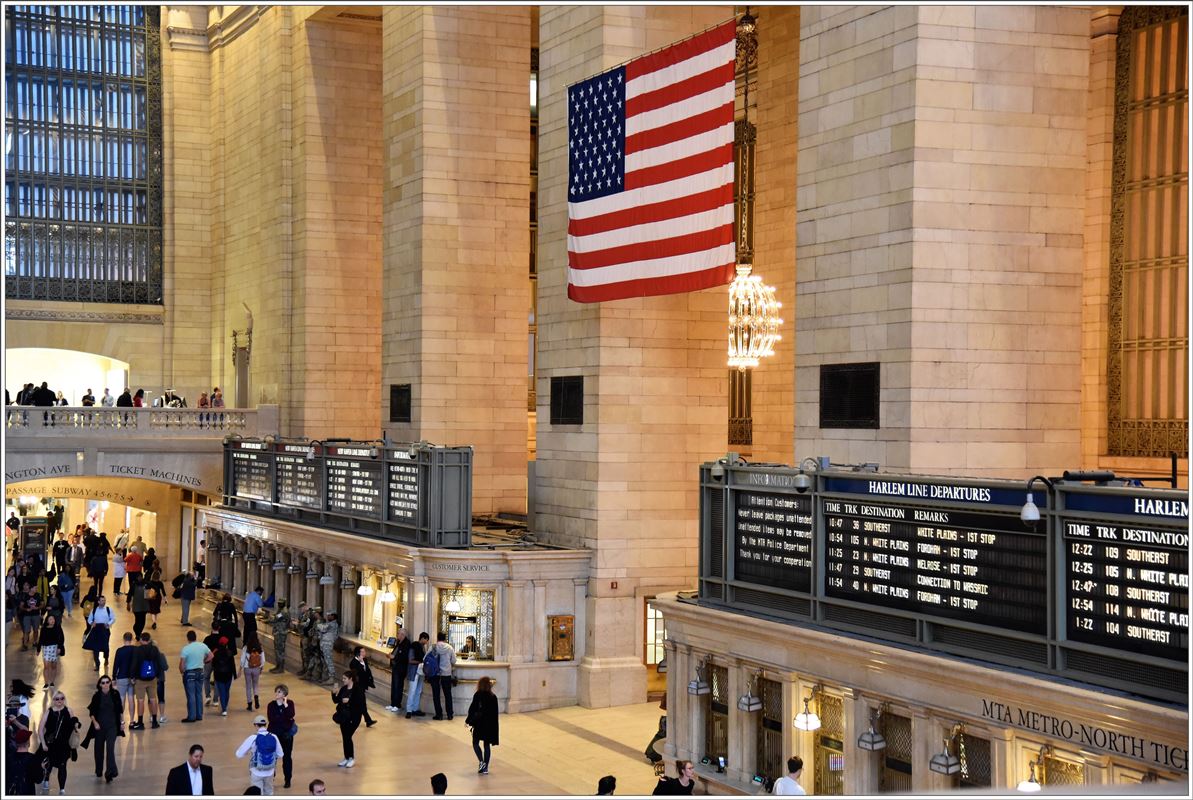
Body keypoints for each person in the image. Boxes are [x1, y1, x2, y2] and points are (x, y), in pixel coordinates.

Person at [38, 690, 80, 795]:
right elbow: (40, 729)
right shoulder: (49, 712)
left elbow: (74, 724)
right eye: (57, 699)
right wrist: (43, 743)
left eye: (62, 698)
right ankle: (46, 779)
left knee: (62, 765)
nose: (60, 701)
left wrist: (76, 725)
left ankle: (62, 789)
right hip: (51, 744)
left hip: (64, 745)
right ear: (53, 700)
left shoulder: (68, 711)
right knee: (50, 763)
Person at [86, 675, 125, 783]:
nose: (105, 684)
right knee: (98, 749)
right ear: (100, 685)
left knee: (110, 748)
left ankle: (110, 772)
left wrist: (122, 722)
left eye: (107, 682)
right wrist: (95, 723)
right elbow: (92, 712)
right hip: (99, 726)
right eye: (103, 683)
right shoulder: (97, 696)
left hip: (112, 726)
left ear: (110, 683)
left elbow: (120, 710)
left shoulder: (115, 694)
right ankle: (99, 770)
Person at [235, 714, 282, 795]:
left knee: (257, 794)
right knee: (269, 792)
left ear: (256, 725)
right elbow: (280, 754)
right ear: (265, 724)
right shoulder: (274, 736)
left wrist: (248, 753)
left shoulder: (253, 738)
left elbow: (239, 754)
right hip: (270, 771)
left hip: (256, 771)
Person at [465, 675, 500, 774]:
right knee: (486, 745)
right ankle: (486, 767)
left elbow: (472, 709)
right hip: (489, 725)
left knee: (475, 743)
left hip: (479, 724)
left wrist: (468, 721)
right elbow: (495, 714)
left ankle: (481, 761)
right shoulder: (493, 697)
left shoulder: (478, 695)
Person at [129, 631, 163, 729]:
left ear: (141, 640)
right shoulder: (155, 649)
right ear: (149, 640)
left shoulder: (138, 650)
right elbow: (159, 663)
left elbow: (134, 664)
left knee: (140, 700)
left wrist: (132, 676)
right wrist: (157, 675)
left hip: (140, 679)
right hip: (152, 678)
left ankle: (140, 723)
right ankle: (154, 721)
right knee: (153, 699)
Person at [266, 684, 296, 789]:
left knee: (287, 757)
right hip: (274, 736)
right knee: (272, 758)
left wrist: (285, 706)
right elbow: (271, 719)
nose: (276, 693)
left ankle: (288, 779)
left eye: (279, 692)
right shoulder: (271, 705)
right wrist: (285, 719)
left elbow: (291, 715)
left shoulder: (290, 703)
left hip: (286, 736)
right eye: (276, 691)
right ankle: (271, 778)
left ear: (284, 694)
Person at [179, 629, 212, 723]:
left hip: (190, 673)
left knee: (191, 695)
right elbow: (211, 656)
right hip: (200, 671)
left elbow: (182, 664)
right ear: (195, 637)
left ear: (188, 638)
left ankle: (191, 716)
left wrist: (182, 671)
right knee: (199, 694)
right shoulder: (202, 646)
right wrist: (204, 661)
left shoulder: (186, 649)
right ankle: (199, 715)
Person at [331, 671, 363, 768]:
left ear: (350, 679)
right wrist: (333, 694)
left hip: (354, 718)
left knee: (348, 736)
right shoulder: (344, 689)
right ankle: (346, 757)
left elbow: (360, 703)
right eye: (343, 678)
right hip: (344, 716)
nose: (343, 680)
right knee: (345, 737)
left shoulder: (357, 689)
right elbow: (336, 701)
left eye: (345, 678)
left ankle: (351, 758)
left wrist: (349, 701)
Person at [428, 631, 457, 720]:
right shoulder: (449, 648)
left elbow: (426, 659)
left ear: (437, 638)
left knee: (436, 695)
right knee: (448, 694)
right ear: (445, 638)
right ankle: (449, 714)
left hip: (435, 674)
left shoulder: (433, 647)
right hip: (446, 674)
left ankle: (439, 715)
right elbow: (454, 661)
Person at [84, 595, 115, 671]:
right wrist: (92, 623)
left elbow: (113, 618)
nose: (103, 602)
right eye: (101, 600)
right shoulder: (94, 610)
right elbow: (89, 619)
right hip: (96, 630)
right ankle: (97, 664)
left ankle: (106, 658)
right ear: (98, 602)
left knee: (105, 646)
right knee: (95, 648)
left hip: (105, 630)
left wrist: (108, 624)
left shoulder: (108, 609)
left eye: (104, 600)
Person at [6, 728, 41, 795]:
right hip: (27, 793)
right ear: (28, 742)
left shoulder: (9, 758)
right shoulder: (33, 758)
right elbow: (38, 779)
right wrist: (41, 768)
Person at [348, 646, 377, 727]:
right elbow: (360, 673)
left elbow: (367, 671)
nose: (364, 653)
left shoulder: (365, 660)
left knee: (359, 703)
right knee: (361, 703)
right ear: (358, 653)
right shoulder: (353, 663)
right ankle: (368, 720)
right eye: (363, 652)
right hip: (357, 686)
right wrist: (361, 663)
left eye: (365, 651)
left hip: (362, 685)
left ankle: (368, 720)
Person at [404, 632, 430, 719]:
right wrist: (421, 662)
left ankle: (415, 709)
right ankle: (409, 710)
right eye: (426, 640)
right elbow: (410, 660)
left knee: (418, 691)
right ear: (422, 638)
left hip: (420, 672)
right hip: (414, 671)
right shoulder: (414, 646)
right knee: (412, 691)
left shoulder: (423, 647)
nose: (426, 642)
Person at [37, 613, 66, 689]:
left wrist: (59, 647)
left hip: (54, 648)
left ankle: (52, 682)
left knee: (53, 666)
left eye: (53, 619)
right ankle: (46, 683)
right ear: (47, 621)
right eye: (50, 619)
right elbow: (40, 639)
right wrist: (38, 649)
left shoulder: (58, 627)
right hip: (45, 648)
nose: (52, 620)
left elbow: (61, 638)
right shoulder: (44, 628)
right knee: (46, 666)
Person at [212, 636, 238, 716]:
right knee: (227, 691)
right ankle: (225, 705)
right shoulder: (230, 653)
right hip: (228, 674)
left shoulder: (216, 653)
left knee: (222, 691)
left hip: (219, 674)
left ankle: (224, 709)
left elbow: (213, 664)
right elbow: (233, 665)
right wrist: (234, 674)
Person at [386, 628, 411, 712]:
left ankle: (397, 704)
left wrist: (394, 657)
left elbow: (404, 656)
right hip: (395, 667)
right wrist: (390, 655)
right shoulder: (398, 642)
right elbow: (396, 652)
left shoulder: (406, 644)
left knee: (398, 686)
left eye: (398, 633)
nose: (397, 635)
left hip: (401, 668)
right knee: (394, 686)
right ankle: (392, 703)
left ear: (403, 635)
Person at [242, 634, 265, 711]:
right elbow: (263, 660)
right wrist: (261, 667)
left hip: (247, 668)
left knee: (248, 686)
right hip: (256, 669)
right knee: (255, 685)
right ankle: (256, 696)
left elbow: (242, 660)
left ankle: (249, 704)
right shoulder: (260, 647)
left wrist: (241, 667)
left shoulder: (246, 647)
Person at [317, 611, 340, 685]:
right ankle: (326, 676)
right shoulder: (329, 623)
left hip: (328, 645)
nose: (327, 617)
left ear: (333, 616)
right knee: (325, 661)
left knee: (328, 661)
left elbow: (322, 628)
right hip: (324, 644)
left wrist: (318, 623)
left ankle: (331, 678)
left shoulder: (333, 624)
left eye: (329, 615)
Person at [267, 601, 290, 673]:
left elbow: (275, 618)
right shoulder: (280, 610)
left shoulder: (283, 612)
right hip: (278, 632)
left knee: (280, 651)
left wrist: (270, 618)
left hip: (281, 633)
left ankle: (280, 668)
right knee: (277, 650)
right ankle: (278, 666)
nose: (278, 604)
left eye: (280, 603)